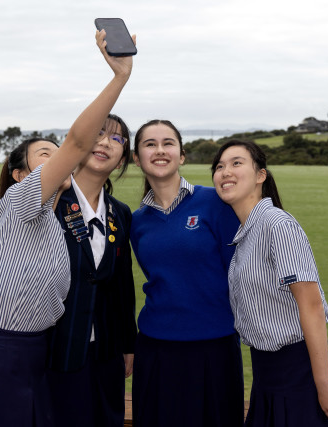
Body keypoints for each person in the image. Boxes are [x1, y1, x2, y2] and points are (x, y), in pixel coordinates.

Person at [0, 28, 135, 427]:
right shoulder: (19, 203)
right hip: (4, 353)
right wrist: (120, 77)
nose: (58, 161)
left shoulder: (49, 220)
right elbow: (77, 143)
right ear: (21, 175)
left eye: (56, 155)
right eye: (45, 156)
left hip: (38, 354)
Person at [211, 139, 328, 427]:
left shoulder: (277, 225)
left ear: (260, 175)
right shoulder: (246, 234)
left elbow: (311, 306)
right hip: (266, 373)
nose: (225, 172)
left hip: (301, 372)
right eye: (219, 166)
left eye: (236, 163)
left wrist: (323, 383)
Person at [129, 120, 244, 427]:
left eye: (168, 143)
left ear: (181, 155)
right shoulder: (137, 221)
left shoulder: (215, 202)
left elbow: (239, 273)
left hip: (213, 347)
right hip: (155, 348)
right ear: (137, 158)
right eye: (150, 144)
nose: (159, 150)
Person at [46, 113, 137, 427]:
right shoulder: (50, 202)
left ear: (122, 159)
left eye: (117, 138)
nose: (106, 143)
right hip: (55, 350)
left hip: (107, 354)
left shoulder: (120, 213)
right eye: (98, 133)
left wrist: (128, 344)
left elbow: (122, 284)